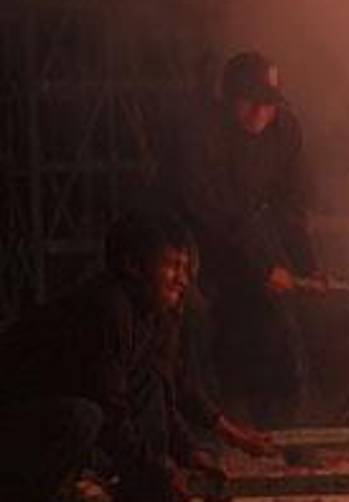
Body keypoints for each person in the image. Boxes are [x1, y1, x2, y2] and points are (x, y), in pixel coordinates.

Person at [163, 50, 323, 428]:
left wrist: (307, 266)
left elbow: (291, 207)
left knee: (279, 320)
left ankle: (283, 431)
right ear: (228, 98)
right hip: (191, 239)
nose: (259, 113)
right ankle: (204, 429)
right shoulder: (200, 135)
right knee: (194, 320)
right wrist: (264, 267)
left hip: (246, 236)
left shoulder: (285, 131)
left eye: (268, 104)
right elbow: (208, 212)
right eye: (250, 101)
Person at [0, 209, 203, 501]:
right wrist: (158, 472)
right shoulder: (108, 308)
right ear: (132, 265)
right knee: (82, 418)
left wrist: (187, 453)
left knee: (148, 387)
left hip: (47, 422)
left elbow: (158, 392)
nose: (182, 280)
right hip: (13, 422)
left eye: (185, 269)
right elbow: (111, 410)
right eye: (172, 266)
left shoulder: (146, 317)